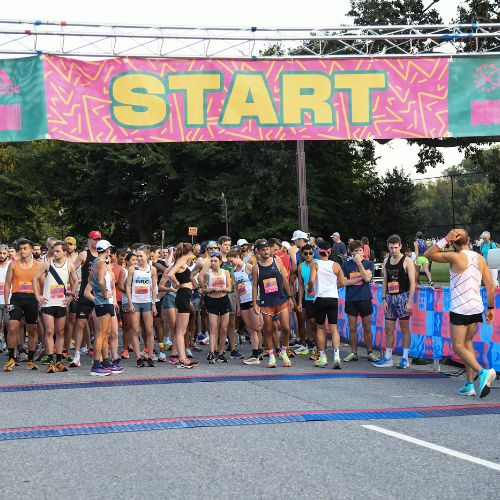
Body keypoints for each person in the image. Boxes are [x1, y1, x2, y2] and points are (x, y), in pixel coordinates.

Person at [425, 229, 496, 398]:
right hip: (476, 307)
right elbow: (490, 285)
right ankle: (469, 385)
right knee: (468, 343)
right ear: (469, 240)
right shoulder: (480, 258)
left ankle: (482, 372)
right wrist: (491, 308)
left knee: (458, 345)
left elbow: (428, 254)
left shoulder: (454, 256)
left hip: (460, 308)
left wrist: (445, 239)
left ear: (454, 243)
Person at [33, 241, 79, 373]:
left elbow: (76, 280)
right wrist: (38, 295)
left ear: (64, 252)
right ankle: (51, 361)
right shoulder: (47, 263)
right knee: (49, 331)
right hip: (48, 303)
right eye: (54, 250)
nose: (55, 253)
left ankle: (59, 361)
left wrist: (71, 296)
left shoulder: (69, 265)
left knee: (60, 332)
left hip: (61, 303)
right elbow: (35, 278)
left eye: (58, 251)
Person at [373, 234, 416, 369]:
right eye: (391, 248)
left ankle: (405, 358)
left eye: (396, 248)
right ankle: (388, 357)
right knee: (388, 329)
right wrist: (384, 298)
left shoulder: (407, 261)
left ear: (401, 246)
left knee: (404, 329)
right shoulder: (386, 261)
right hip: (390, 298)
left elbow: (413, 283)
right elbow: (385, 280)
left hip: (403, 297)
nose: (393, 250)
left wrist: (409, 301)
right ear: (388, 247)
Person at [252, 239, 295, 368]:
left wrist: (290, 297)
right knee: (269, 330)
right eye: (263, 250)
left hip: (281, 299)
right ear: (258, 252)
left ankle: (283, 351)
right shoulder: (256, 267)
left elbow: (285, 280)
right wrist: (255, 303)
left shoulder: (277, 261)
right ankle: (271, 355)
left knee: (286, 328)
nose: (266, 251)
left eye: (267, 249)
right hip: (266, 302)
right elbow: (255, 286)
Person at [3, 239, 41, 372]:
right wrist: (7, 301)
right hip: (17, 298)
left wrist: (40, 299)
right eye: (20, 248)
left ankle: (30, 360)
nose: (22, 251)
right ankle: (11, 359)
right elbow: (8, 283)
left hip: (32, 298)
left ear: (31, 249)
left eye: (25, 248)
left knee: (32, 330)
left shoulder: (37, 264)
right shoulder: (13, 265)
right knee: (13, 327)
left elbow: (41, 284)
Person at [307, 240, 346, 368]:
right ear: (329, 252)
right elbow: (343, 282)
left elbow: (311, 280)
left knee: (320, 327)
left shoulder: (315, 264)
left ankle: (323, 357)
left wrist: (310, 289)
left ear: (318, 251)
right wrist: (333, 286)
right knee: (334, 329)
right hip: (333, 298)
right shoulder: (336, 265)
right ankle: (336, 356)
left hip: (320, 298)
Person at [341, 240, 379, 363]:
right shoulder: (346, 265)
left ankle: (370, 352)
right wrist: (361, 277)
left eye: (360, 250)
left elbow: (368, 279)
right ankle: (353, 352)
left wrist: (359, 264)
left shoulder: (368, 263)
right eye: (356, 251)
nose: (358, 253)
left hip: (365, 298)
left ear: (364, 251)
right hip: (351, 299)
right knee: (352, 328)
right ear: (351, 252)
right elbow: (344, 282)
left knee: (367, 327)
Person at [70, 230, 101, 368]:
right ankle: (77, 354)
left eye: (99, 239)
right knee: (81, 323)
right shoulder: (84, 254)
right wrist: (75, 286)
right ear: (89, 240)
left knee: (100, 325)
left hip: (99, 294)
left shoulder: (104, 254)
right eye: (94, 239)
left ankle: (101, 354)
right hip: (85, 293)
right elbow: (71, 270)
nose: (96, 241)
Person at [228, 248, 263, 365]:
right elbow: (237, 290)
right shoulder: (234, 271)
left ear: (238, 257)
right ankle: (255, 353)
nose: (230, 264)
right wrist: (238, 306)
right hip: (242, 301)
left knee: (256, 327)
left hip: (252, 299)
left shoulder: (248, 267)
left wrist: (257, 300)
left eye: (232, 261)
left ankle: (258, 352)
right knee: (250, 328)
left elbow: (256, 283)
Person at [126, 246, 158, 367]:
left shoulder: (152, 269)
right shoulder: (132, 269)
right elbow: (128, 286)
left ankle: (149, 356)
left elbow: (154, 288)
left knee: (149, 330)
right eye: (137, 256)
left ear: (147, 256)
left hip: (147, 302)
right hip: (135, 302)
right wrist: (130, 303)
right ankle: (138, 357)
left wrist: (154, 304)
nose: (138, 258)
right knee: (135, 330)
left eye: (141, 256)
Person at [167, 243, 198, 369]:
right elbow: (170, 274)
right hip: (183, 294)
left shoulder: (181, 261)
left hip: (184, 295)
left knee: (181, 330)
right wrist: (177, 283)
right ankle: (182, 358)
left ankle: (182, 357)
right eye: (192, 254)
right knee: (181, 330)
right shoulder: (182, 260)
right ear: (189, 252)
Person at [88, 239, 117, 376]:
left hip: (102, 301)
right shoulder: (101, 263)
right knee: (101, 334)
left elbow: (90, 279)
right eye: (109, 249)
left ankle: (105, 362)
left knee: (105, 333)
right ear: (107, 250)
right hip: (103, 302)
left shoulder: (95, 262)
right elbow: (99, 281)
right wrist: (105, 293)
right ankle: (95, 365)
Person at [199, 251, 232, 363]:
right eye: (211, 261)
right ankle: (212, 352)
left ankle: (221, 353)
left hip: (224, 301)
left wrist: (221, 289)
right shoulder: (208, 274)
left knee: (223, 328)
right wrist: (211, 290)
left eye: (215, 261)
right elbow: (204, 289)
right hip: (212, 301)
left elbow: (229, 288)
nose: (213, 263)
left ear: (220, 262)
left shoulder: (226, 272)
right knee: (213, 327)